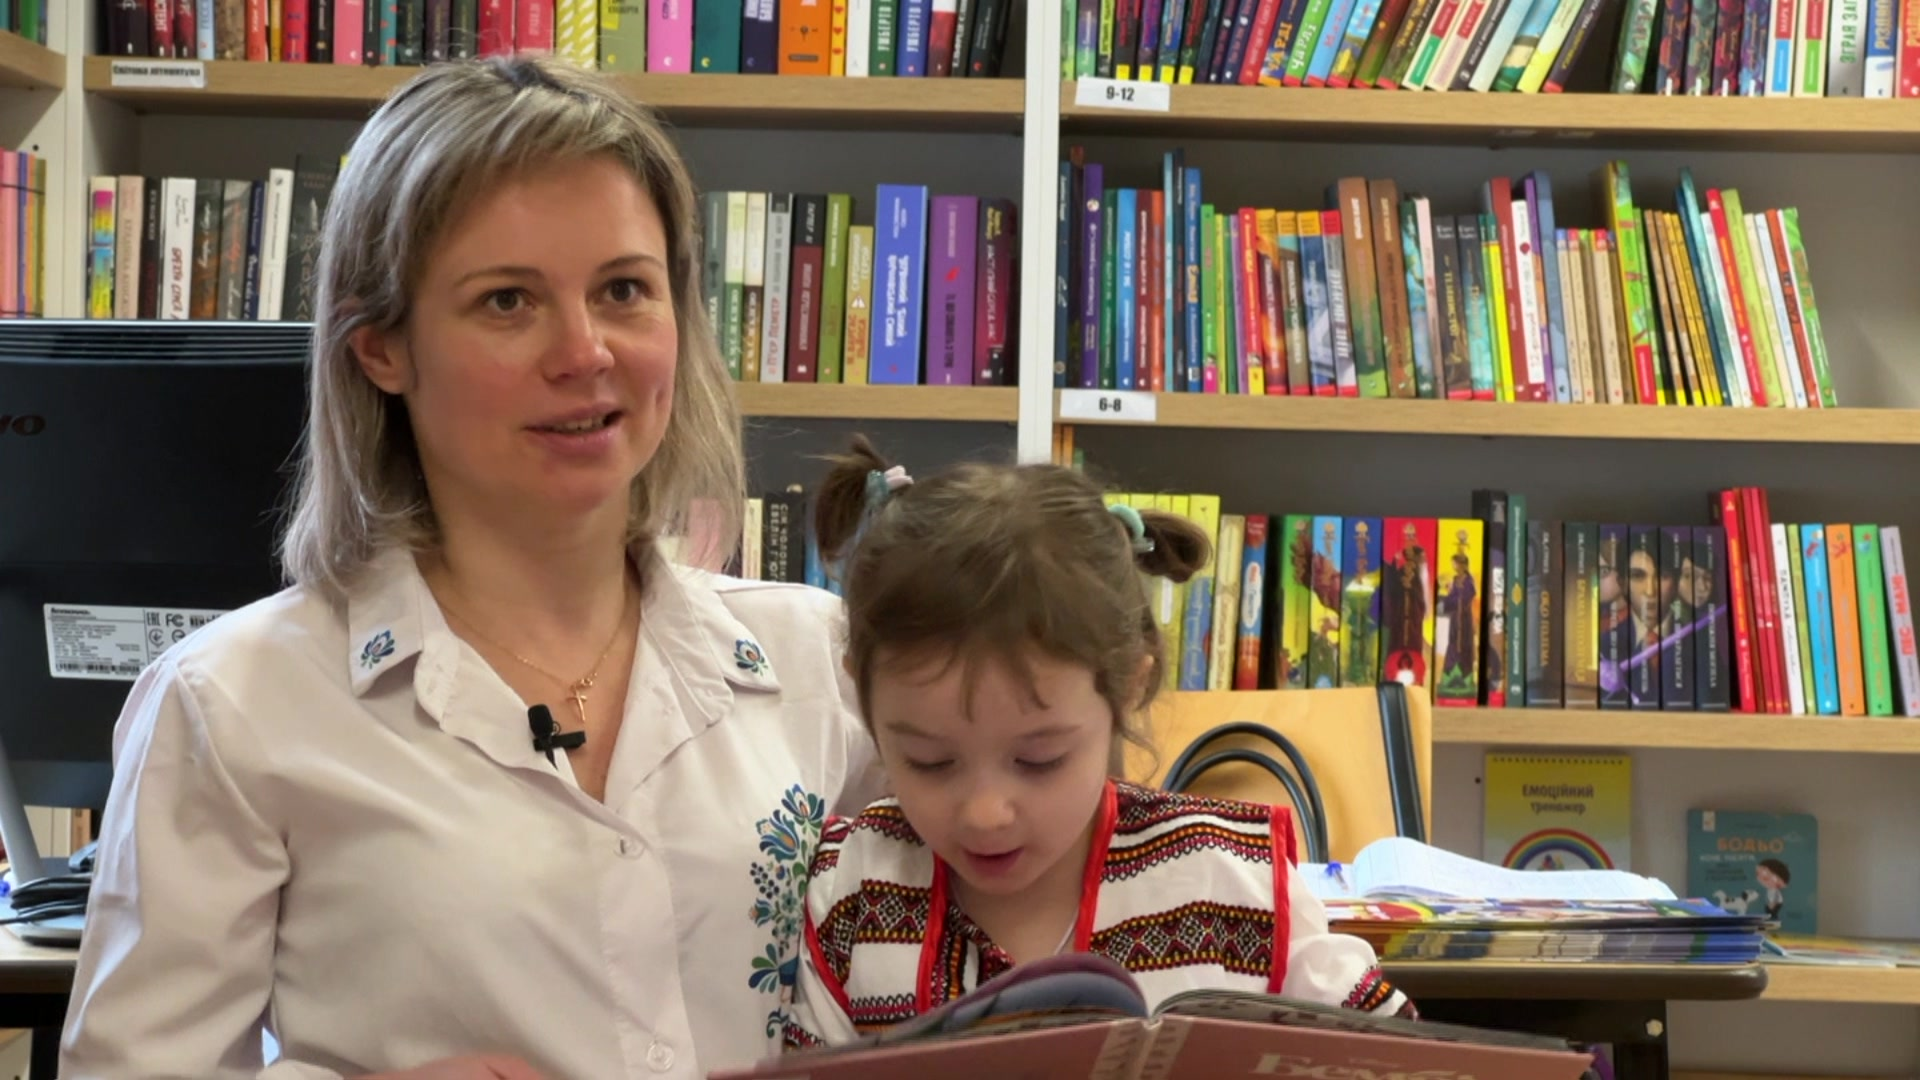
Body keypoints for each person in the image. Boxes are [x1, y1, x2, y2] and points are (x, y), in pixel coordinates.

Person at [58, 55, 880, 1080]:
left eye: (625, 289)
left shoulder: (825, 664)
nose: (585, 353)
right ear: (382, 350)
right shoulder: (233, 707)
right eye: (507, 302)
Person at [779, 438, 1414, 1050]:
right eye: (929, 761)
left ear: (1127, 689)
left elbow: (1398, 1058)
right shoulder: (851, 893)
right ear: (863, 697)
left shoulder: (1231, 887)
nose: (985, 812)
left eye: (1039, 759)